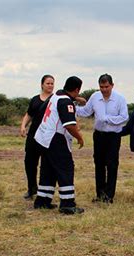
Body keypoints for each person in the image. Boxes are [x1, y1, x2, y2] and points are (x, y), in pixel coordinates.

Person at [33, 76, 85, 214]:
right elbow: (69, 125)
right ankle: (67, 203)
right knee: (65, 169)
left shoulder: (56, 95)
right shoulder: (65, 102)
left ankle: (42, 200)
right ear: (77, 89)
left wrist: (76, 99)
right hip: (55, 139)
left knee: (48, 169)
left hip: (43, 138)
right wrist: (80, 138)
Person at [75, 74, 128, 204]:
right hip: (98, 135)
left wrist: (107, 119)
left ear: (112, 85)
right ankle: (100, 194)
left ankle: (109, 196)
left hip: (113, 136)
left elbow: (124, 117)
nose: (104, 89)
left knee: (112, 165)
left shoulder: (120, 99)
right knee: (99, 164)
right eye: (101, 87)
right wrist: (70, 107)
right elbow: (86, 111)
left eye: (106, 86)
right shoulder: (95, 96)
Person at [20, 75, 54, 199]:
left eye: (52, 83)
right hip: (33, 135)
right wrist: (23, 125)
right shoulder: (34, 99)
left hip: (47, 136)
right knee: (29, 163)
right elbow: (29, 114)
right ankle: (31, 189)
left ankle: (44, 191)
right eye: (48, 83)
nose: (50, 86)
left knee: (46, 164)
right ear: (42, 85)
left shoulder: (55, 100)